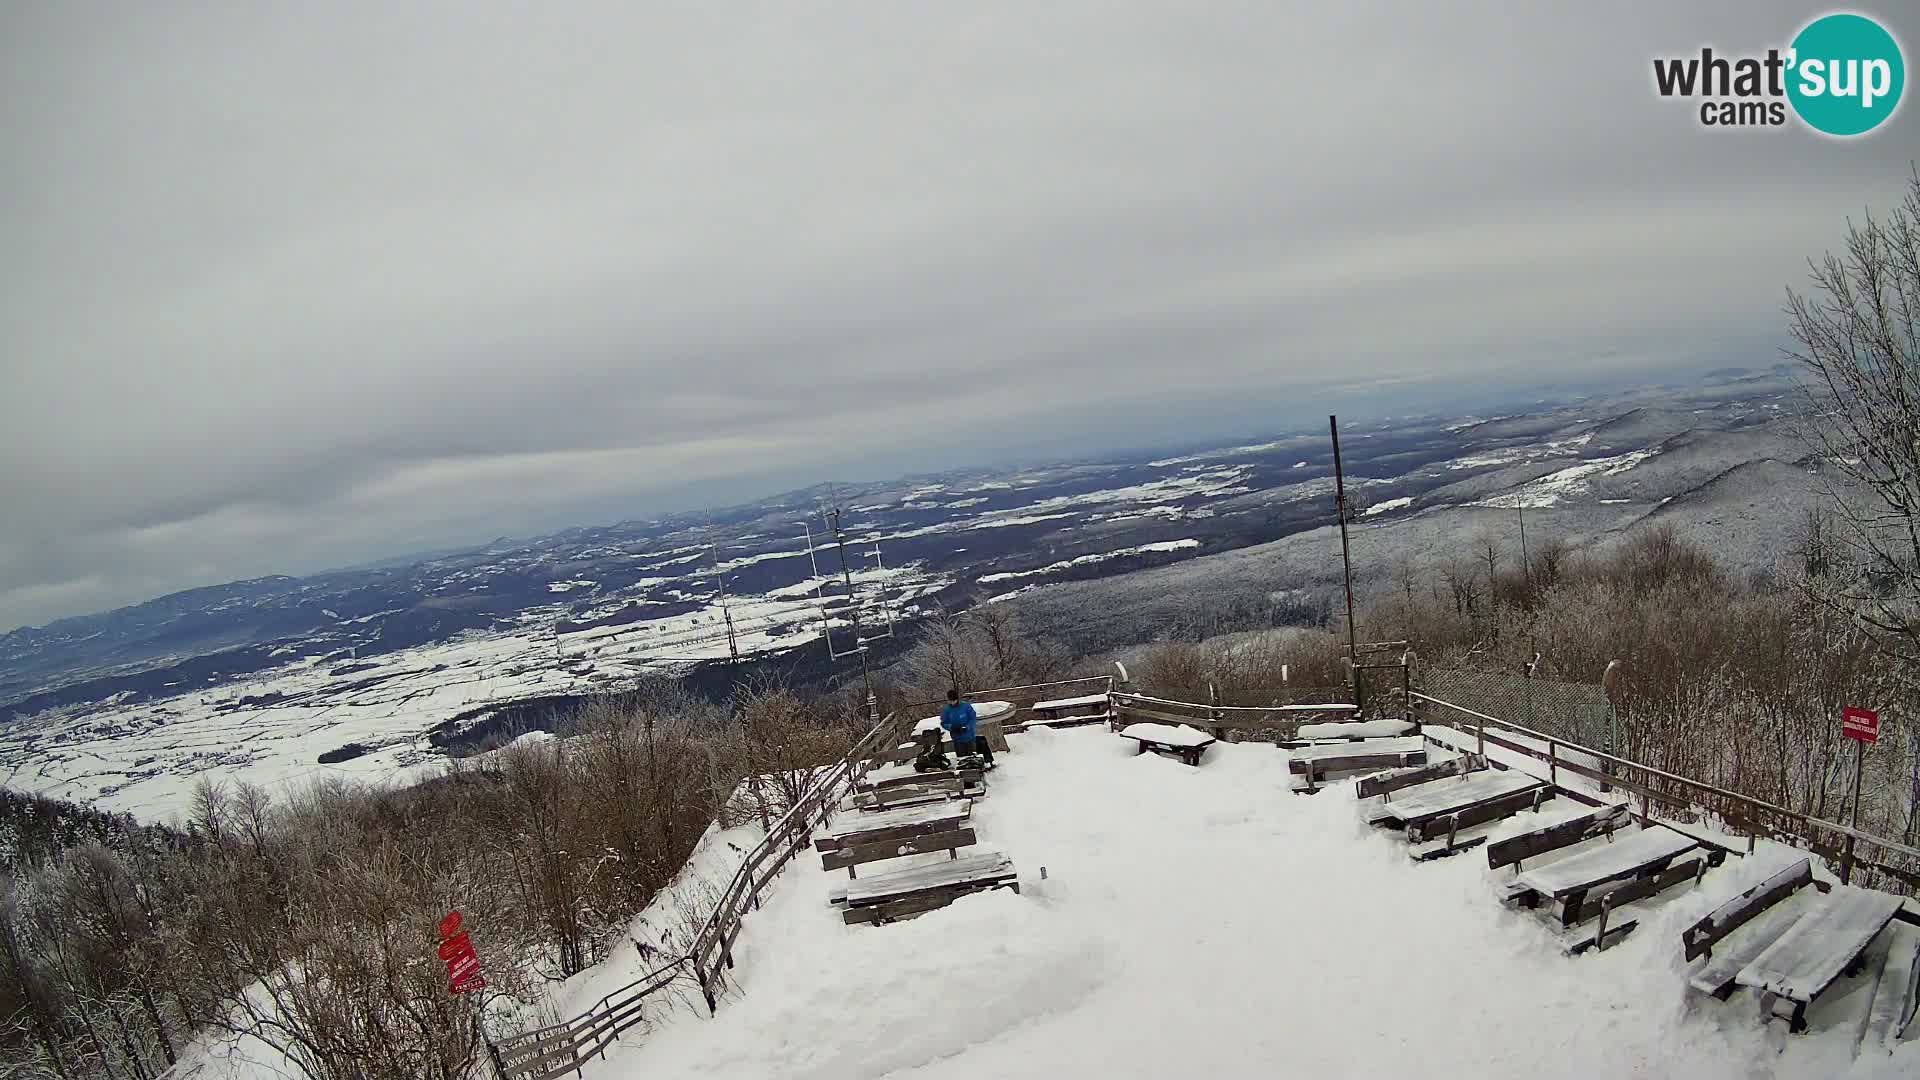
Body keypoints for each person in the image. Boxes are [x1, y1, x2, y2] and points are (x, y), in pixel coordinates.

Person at [940, 688, 994, 768]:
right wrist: (952, 727)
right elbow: (943, 722)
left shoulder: (966, 706)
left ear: (957, 699)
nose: (952, 702)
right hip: (957, 738)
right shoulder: (947, 710)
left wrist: (967, 727)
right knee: (963, 760)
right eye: (950, 701)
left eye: (954, 700)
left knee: (972, 758)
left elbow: (972, 718)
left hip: (969, 737)